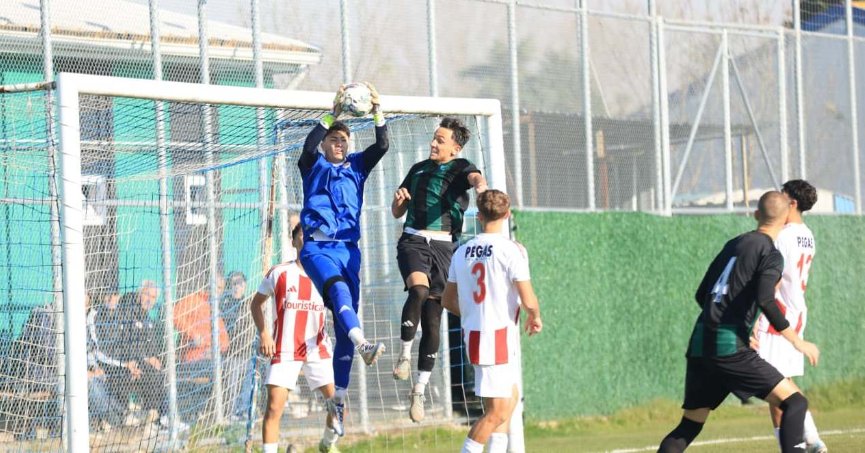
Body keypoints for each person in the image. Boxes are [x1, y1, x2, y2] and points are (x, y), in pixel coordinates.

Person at [657, 191, 820, 453]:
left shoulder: (733, 244)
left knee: (688, 426)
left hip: (700, 342)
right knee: (795, 403)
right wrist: (796, 340)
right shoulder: (770, 253)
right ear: (786, 217)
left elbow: (702, 294)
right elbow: (766, 300)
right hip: (728, 345)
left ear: (756, 214)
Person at [297, 82, 388, 429]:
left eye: (343, 140)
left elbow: (383, 144)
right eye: (334, 139)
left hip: (349, 250)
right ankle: (365, 344)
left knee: (343, 320)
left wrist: (378, 110)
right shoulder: (313, 166)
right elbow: (307, 146)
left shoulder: (358, 167)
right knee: (337, 291)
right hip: (318, 248)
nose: (339, 144)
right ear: (325, 144)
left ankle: (338, 403)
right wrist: (332, 114)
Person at [391, 117, 488, 422]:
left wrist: (482, 187)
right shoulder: (418, 169)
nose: (434, 143)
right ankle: (404, 354)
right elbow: (397, 211)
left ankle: (418, 390)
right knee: (418, 289)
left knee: (434, 320)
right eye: (434, 138)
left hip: (445, 247)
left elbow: (475, 178)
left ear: (455, 148)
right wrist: (398, 203)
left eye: (441, 140)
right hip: (414, 241)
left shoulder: (461, 168)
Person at [441, 190, 542, 453]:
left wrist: (474, 313)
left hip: (479, 334)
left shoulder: (461, 252)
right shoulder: (511, 250)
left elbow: (447, 300)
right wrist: (535, 316)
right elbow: (528, 298)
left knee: (510, 398)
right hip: (495, 337)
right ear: (507, 215)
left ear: (479, 215)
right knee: (497, 412)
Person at [251, 223, 342, 453]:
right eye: (301, 233)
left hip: (317, 348)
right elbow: (256, 304)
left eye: (311, 234)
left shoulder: (326, 275)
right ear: (293, 242)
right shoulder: (279, 272)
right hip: (285, 348)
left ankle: (327, 445)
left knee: (338, 405)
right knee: (273, 408)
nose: (307, 236)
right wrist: (264, 334)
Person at [753, 180, 826, 452]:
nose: (778, 201)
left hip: (778, 317)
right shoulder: (807, 233)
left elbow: (771, 279)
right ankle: (806, 441)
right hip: (795, 312)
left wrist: (756, 320)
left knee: (776, 385)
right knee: (777, 387)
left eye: (782, 197)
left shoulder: (782, 235)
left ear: (792, 204)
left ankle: (811, 440)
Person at [174, 277, 229, 424]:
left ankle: (201, 412)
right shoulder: (193, 299)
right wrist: (193, 334)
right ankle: (189, 414)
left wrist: (215, 349)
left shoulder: (214, 308)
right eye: (216, 287)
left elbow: (225, 340)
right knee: (212, 370)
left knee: (225, 368)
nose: (217, 291)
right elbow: (175, 316)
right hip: (191, 356)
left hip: (209, 358)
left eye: (220, 289)